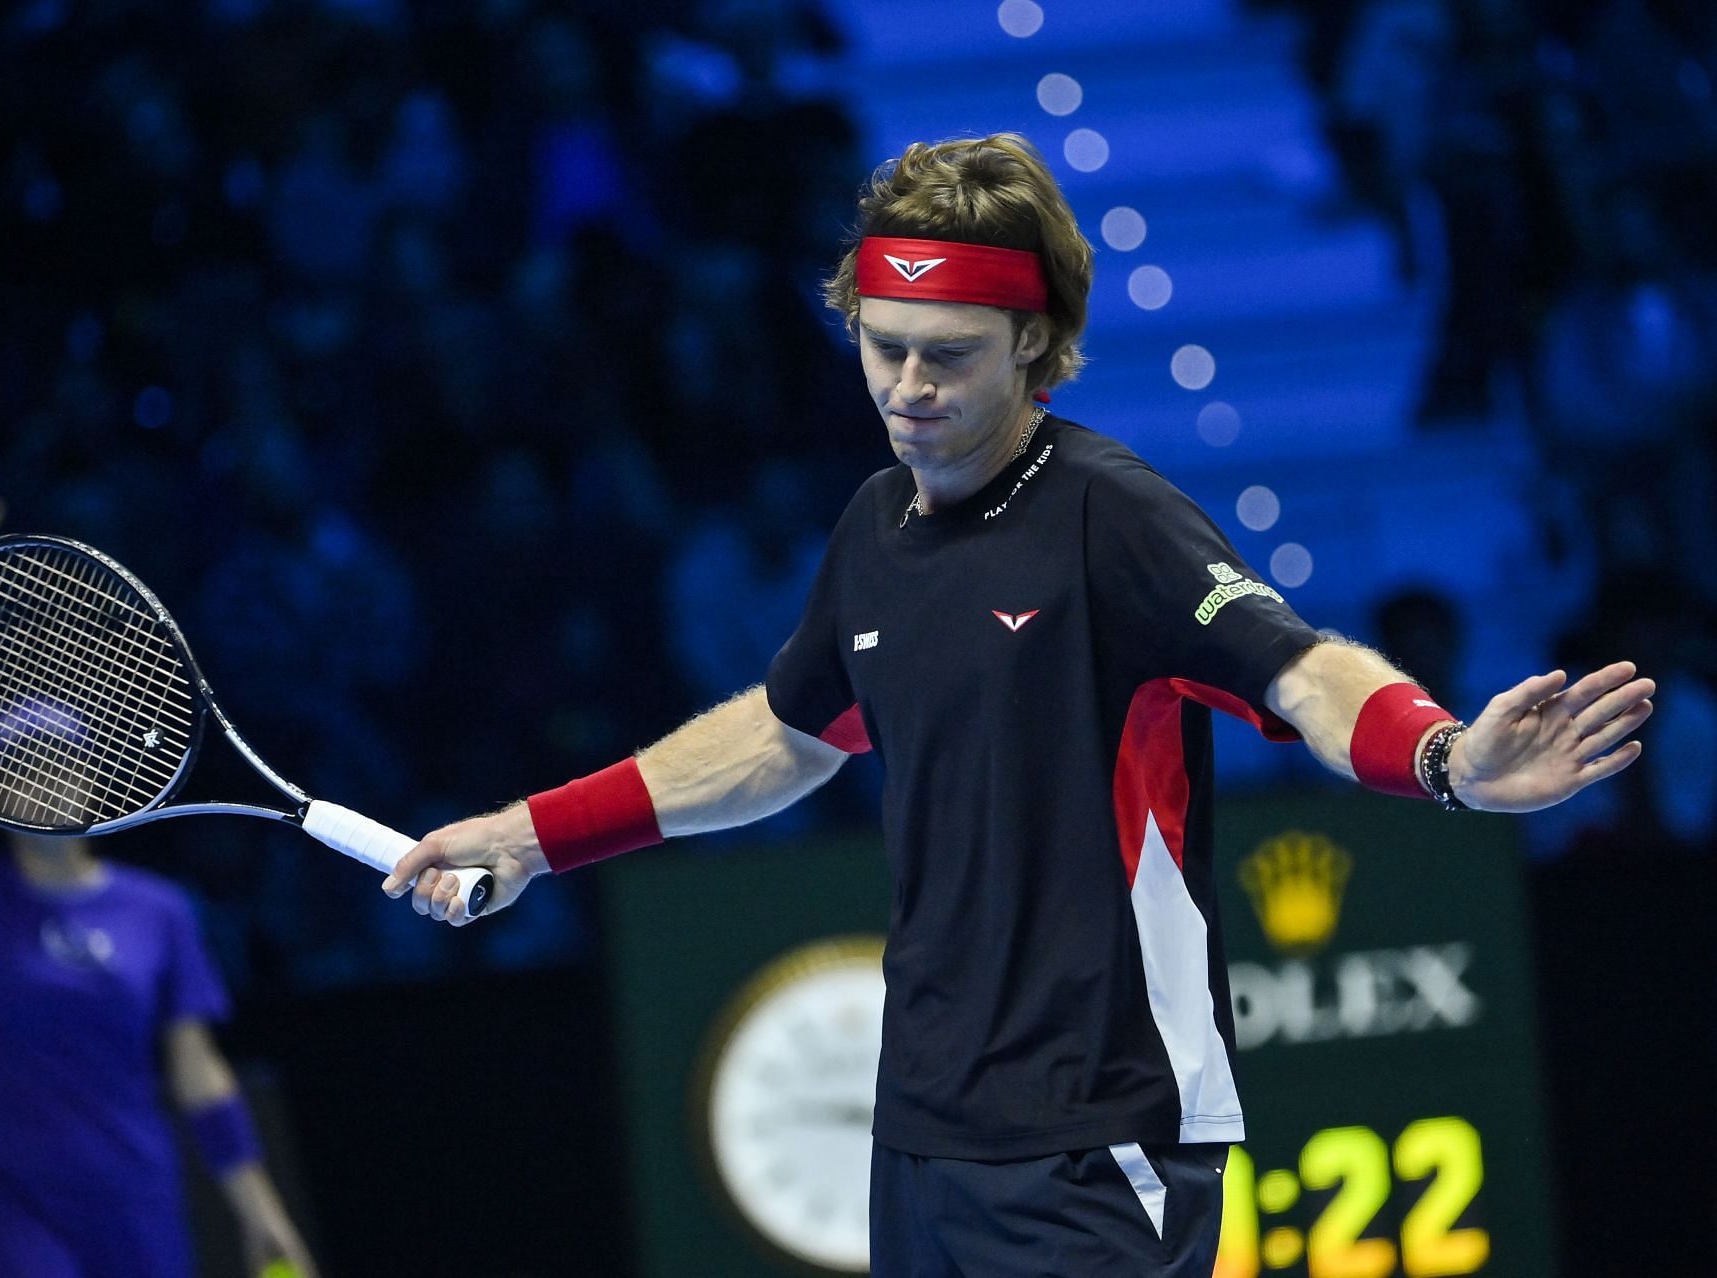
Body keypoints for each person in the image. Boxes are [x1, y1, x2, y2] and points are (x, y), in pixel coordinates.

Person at [383, 133, 1654, 1275]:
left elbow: (1302, 668)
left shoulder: (1119, 520)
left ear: (1038, 346)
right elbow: (783, 737)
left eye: (949, 357)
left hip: (1101, 1142)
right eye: (883, 348)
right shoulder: (874, 529)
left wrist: (1443, 758)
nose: (906, 387)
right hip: (924, 1140)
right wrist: (528, 836)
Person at [0, 500, 318, 1277]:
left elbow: (198, 1068)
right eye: (21, 768)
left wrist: (260, 1211)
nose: (42, 783)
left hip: (137, 1204)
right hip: (18, 1204)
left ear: (96, 780)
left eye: (59, 764)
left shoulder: (160, 913)